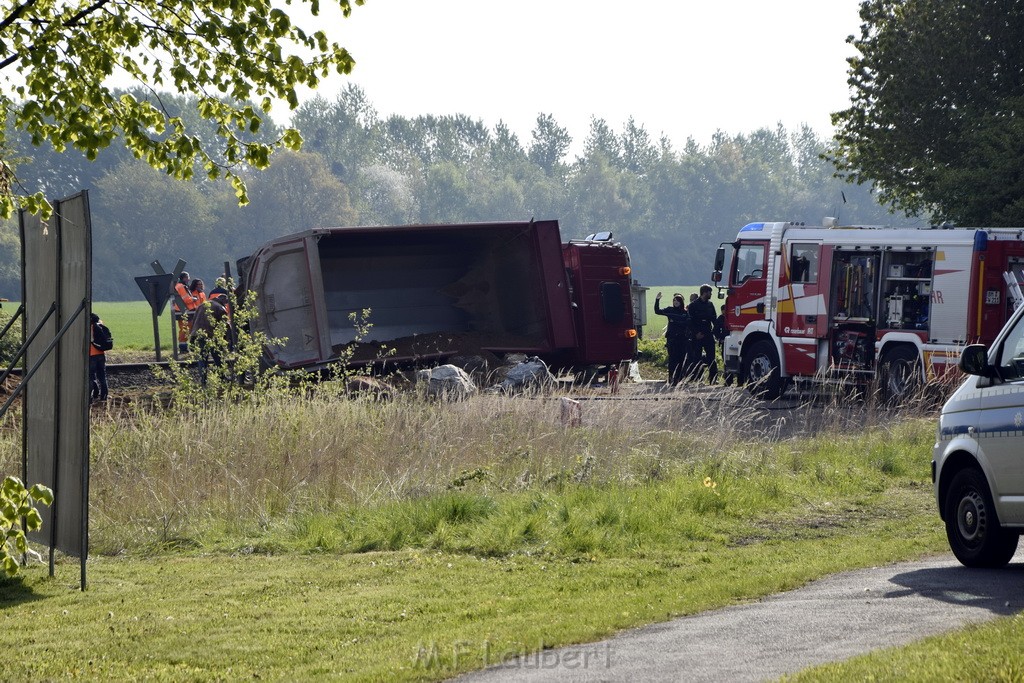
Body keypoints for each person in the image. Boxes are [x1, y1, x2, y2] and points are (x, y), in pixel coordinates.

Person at [190, 293, 232, 385]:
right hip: (212, 335)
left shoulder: (202, 305)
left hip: (199, 334)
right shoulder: (221, 308)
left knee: (202, 358)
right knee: (217, 357)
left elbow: (194, 321)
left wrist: (192, 337)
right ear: (223, 302)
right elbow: (225, 326)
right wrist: (226, 340)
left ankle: (203, 380)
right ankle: (222, 377)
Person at [654, 292, 691, 386]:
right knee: (672, 360)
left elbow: (687, 323)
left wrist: (676, 321)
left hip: (683, 339)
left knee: (682, 359)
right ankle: (671, 379)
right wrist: (657, 300)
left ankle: (680, 379)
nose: (675, 302)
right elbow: (657, 311)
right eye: (674, 300)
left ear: (681, 302)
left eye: (677, 300)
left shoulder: (685, 312)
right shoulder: (670, 310)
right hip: (672, 339)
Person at [688, 285, 719, 383]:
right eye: (710, 292)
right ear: (705, 292)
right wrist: (695, 334)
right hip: (697, 334)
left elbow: (714, 319)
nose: (711, 294)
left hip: (708, 333)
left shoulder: (710, 305)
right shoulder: (693, 305)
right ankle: (699, 378)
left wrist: (714, 332)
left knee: (711, 357)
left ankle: (713, 379)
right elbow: (690, 322)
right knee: (697, 358)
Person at [172, 271, 199, 354]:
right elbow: (186, 299)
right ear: (183, 278)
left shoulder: (179, 286)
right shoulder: (181, 286)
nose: (189, 279)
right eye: (187, 277)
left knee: (185, 329)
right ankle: (183, 348)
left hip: (182, 310)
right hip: (183, 310)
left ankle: (184, 347)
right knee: (185, 329)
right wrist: (194, 299)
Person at [89, 313, 109, 402]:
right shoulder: (100, 326)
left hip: (91, 355)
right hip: (101, 354)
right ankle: (104, 396)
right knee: (102, 376)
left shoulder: (90, 328)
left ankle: (92, 395)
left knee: (90, 376)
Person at [714, 303, 736, 387]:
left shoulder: (731, 318)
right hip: (724, 342)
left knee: (730, 361)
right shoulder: (720, 319)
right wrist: (720, 339)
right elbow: (715, 330)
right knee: (726, 362)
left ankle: (735, 381)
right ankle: (728, 381)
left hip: (731, 340)